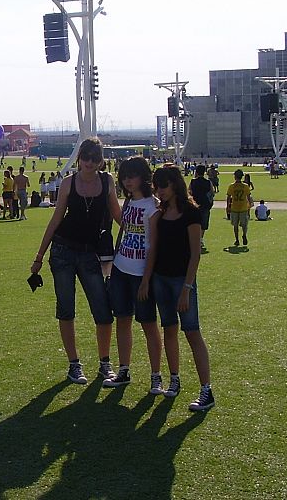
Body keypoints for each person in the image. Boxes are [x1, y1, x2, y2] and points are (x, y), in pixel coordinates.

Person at [30, 138, 122, 385]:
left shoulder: (107, 181)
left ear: (101, 160)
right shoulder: (69, 183)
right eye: (86, 158)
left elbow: (117, 215)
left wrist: (139, 228)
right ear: (79, 158)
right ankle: (74, 364)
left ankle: (105, 363)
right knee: (66, 309)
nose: (89, 163)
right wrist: (39, 256)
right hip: (63, 251)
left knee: (103, 311)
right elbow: (56, 219)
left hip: (90, 253)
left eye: (95, 158)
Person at [150, 165, 215, 411]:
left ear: (175, 184)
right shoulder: (161, 212)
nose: (159, 191)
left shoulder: (191, 213)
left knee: (192, 332)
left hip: (181, 281)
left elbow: (195, 254)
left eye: (163, 186)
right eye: (156, 187)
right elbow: (155, 249)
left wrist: (187, 288)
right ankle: (174, 379)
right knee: (169, 329)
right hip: (161, 279)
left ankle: (206, 390)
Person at [103, 157, 164, 395]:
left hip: (141, 275)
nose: (128, 181)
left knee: (149, 325)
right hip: (121, 269)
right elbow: (124, 231)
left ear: (144, 177)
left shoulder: (153, 206)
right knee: (123, 320)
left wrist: (146, 280)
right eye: (125, 176)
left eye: (133, 176)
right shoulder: (128, 204)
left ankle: (156, 375)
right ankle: (124, 369)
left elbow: (153, 247)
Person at [188, 165, 214, 250]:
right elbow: (212, 193)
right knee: (203, 223)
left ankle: (194, 239)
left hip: (195, 205)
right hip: (205, 205)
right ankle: (201, 239)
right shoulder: (208, 182)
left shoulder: (193, 181)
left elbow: (189, 192)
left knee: (194, 222)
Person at [226, 169, 253, 246]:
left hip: (234, 207)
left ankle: (237, 239)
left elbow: (228, 197)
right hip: (243, 207)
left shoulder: (231, 186)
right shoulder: (245, 186)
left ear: (235, 176)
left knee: (235, 225)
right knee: (244, 225)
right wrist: (249, 206)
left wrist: (228, 207)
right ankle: (244, 234)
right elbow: (248, 197)